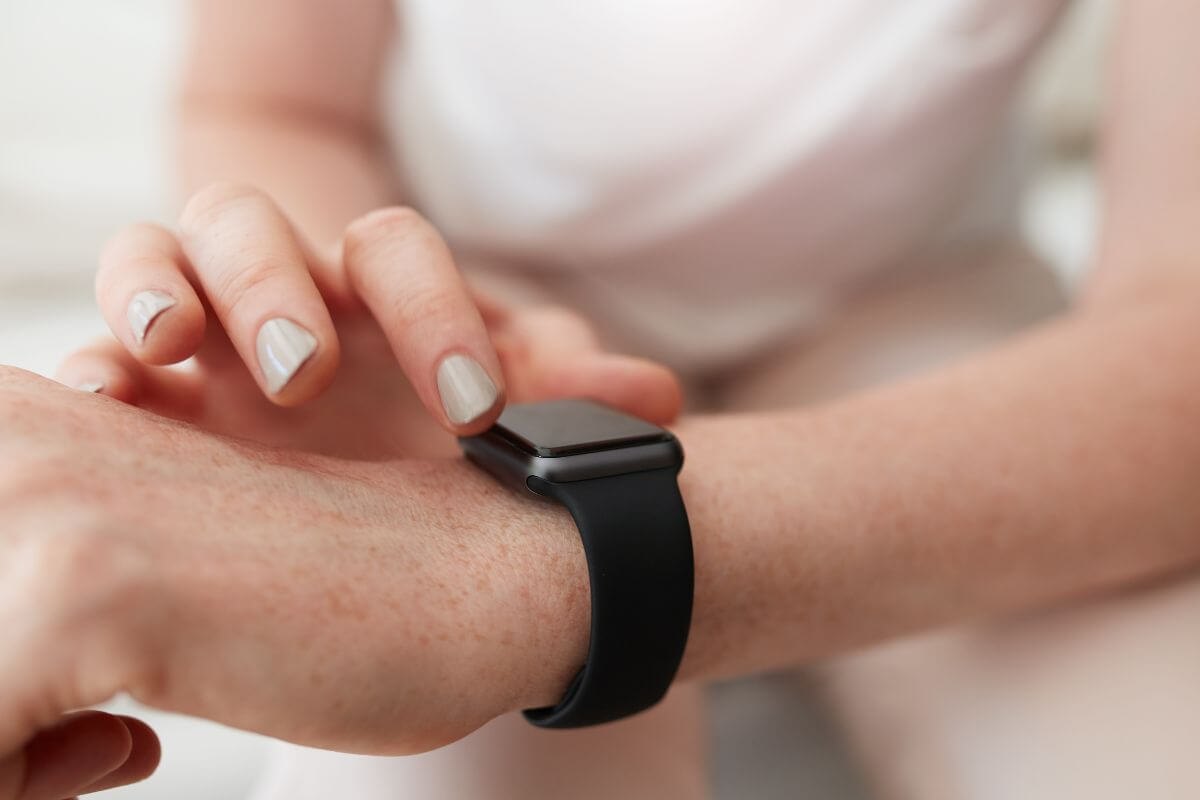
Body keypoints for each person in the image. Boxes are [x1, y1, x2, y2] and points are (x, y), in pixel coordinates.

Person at [3, 0, 1200, 797]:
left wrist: (527, 576)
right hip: (470, 331)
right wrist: (325, 306)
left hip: (925, 317)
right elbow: (270, 103)